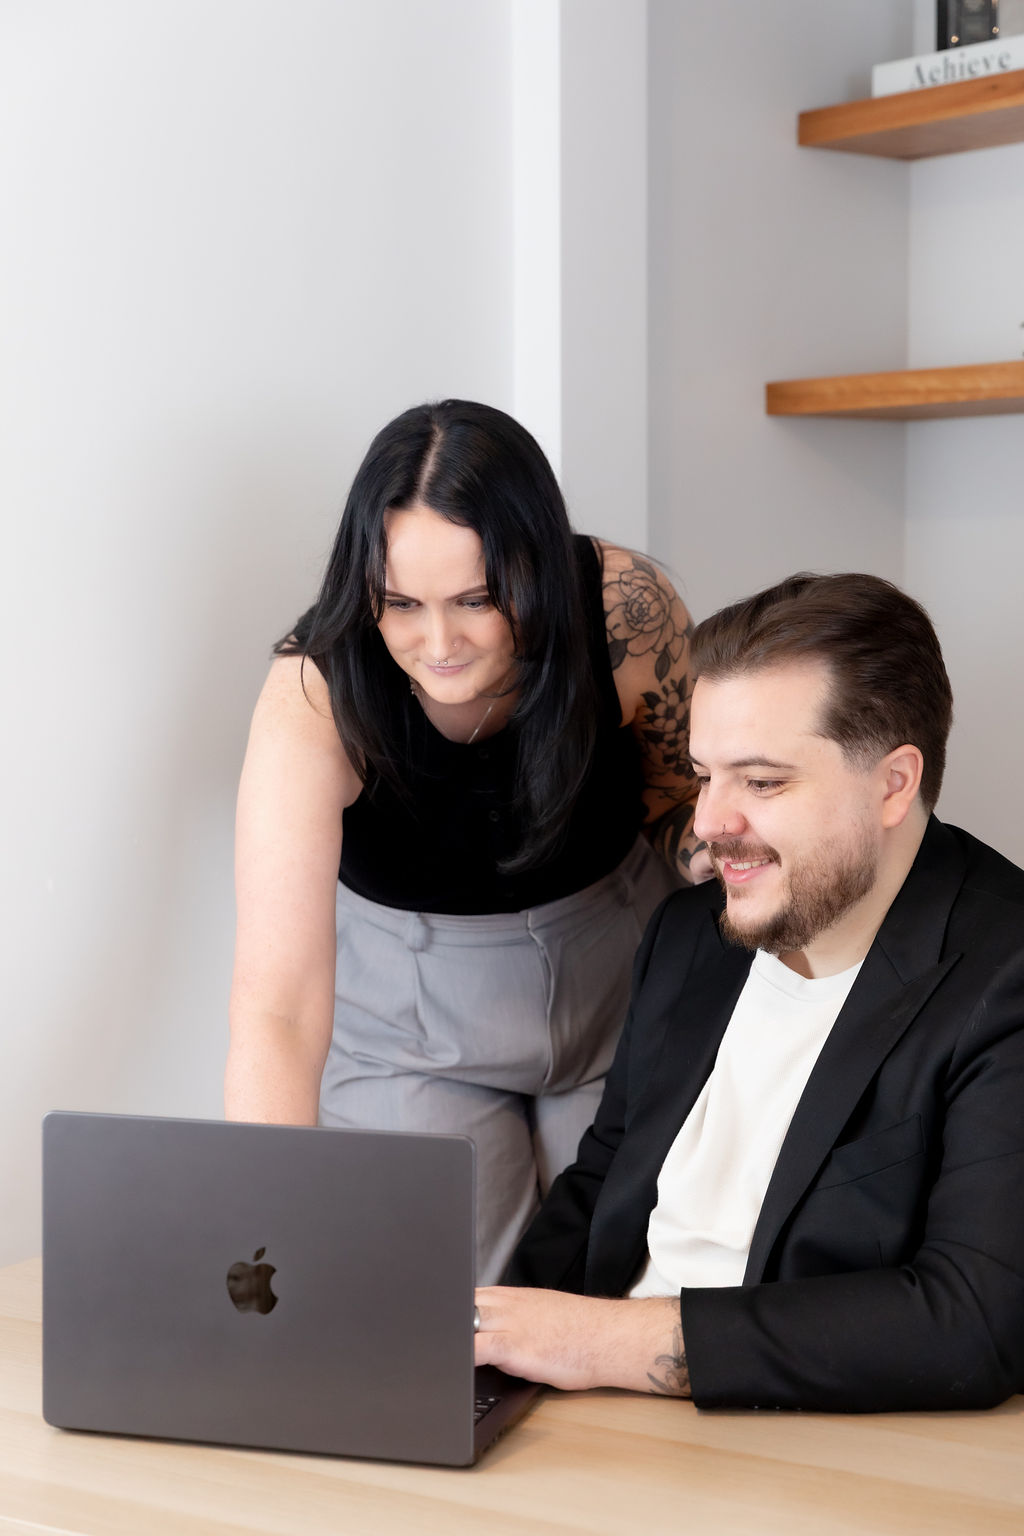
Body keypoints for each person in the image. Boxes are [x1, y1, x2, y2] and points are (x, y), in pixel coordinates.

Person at [475, 570, 1024, 1411]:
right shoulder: (690, 936)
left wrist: (603, 1342)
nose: (707, 823)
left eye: (761, 783)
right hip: (586, 1424)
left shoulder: (1004, 972)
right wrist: (481, 1349)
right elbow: (601, 1188)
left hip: (792, 1445)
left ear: (894, 783)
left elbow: (968, 1321)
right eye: (704, 774)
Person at [225, 399, 708, 1282]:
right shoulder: (314, 691)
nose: (437, 643)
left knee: (636, 1277)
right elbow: (277, 1006)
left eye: (478, 600)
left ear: (536, 567)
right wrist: (268, 1227)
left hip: (618, 979)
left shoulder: (624, 612)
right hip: (414, 1019)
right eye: (400, 603)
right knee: (452, 1316)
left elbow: (681, 804)